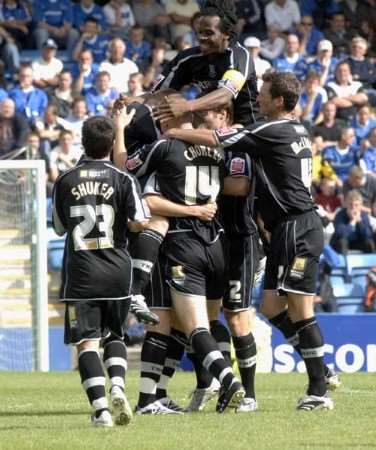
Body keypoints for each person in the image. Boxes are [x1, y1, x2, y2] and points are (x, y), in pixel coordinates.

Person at [165, 71, 338, 410]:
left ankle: (318, 388)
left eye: (264, 94)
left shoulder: (273, 129)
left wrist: (173, 131)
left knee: (301, 311)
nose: (258, 98)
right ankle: (319, 366)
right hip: (283, 229)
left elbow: (220, 139)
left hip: (299, 226)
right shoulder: (297, 128)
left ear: (278, 101)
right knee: (272, 307)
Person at [125, 94, 245, 414]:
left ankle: (225, 379)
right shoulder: (217, 149)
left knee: (191, 326)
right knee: (183, 322)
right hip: (215, 242)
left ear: (167, 118)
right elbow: (236, 184)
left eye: (160, 117)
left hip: (182, 241)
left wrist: (118, 127)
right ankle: (157, 395)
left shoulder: (164, 146)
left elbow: (126, 168)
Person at [52, 111, 150, 427]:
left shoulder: (65, 180)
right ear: (111, 144)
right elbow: (140, 222)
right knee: (115, 334)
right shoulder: (124, 179)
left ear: (83, 142)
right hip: (118, 271)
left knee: (87, 343)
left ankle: (101, 411)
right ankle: (118, 386)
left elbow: (57, 228)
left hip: (82, 273)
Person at [153, 0, 259, 126]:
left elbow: (225, 94)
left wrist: (186, 106)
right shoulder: (187, 58)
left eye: (209, 33)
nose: (201, 37)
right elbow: (158, 93)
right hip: (207, 128)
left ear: (226, 34)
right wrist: (134, 102)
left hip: (245, 128)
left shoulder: (239, 55)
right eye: (199, 32)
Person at [330, 190, 375, 255]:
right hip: (343, 243)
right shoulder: (340, 215)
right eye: (351, 205)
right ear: (346, 204)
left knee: (369, 243)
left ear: (360, 206)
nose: (353, 208)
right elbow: (341, 234)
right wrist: (352, 222)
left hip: (357, 242)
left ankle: (371, 264)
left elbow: (368, 235)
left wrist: (360, 222)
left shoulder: (364, 216)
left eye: (356, 205)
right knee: (342, 242)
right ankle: (343, 264)